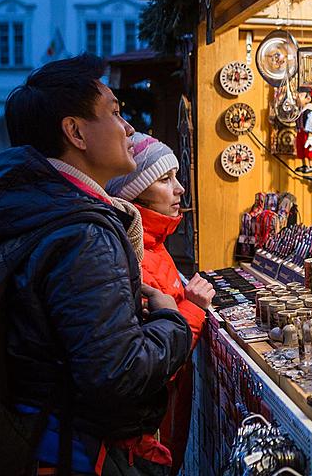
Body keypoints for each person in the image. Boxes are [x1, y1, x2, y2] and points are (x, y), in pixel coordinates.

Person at [0, 54, 192, 474]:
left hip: (45, 440)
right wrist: (171, 320)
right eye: (114, 112)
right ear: (75, 132)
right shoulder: (82, 234)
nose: (128, 127)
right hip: (82, 450)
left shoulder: (37, 205)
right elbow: (116, 375)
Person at [106, 134, 215, 475]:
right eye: (165, 180)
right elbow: (153, 355)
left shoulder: (153, 243)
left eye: (176, 177)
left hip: (156, 421)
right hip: (142, 434)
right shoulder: (135, 254)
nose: (179, 189)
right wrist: (194, 308)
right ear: (135, 192)